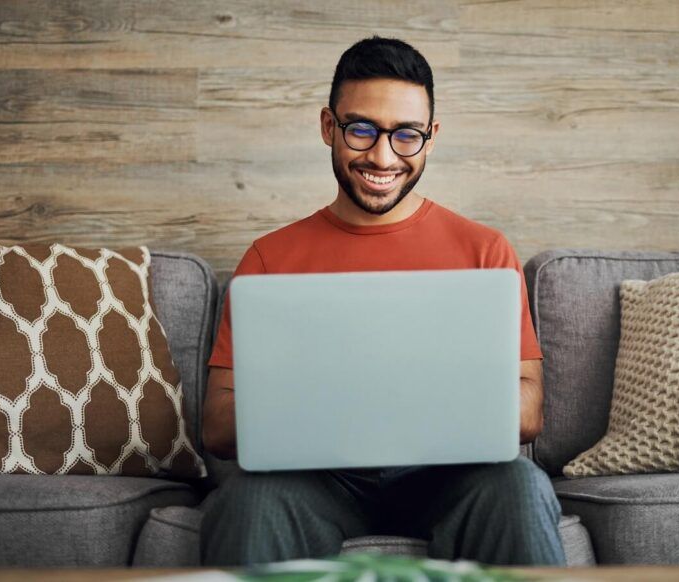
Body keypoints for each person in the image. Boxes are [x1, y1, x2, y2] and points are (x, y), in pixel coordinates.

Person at [200, 36, 566, 567]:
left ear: (431, 137)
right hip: (315, 481)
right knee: (247, 500)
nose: (382, 155)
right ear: (329, 127)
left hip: (450, 478)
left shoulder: (484, 249)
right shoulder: (268, 259)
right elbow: (216, 425)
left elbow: (529, 410)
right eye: (362, 129)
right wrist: (328, 398)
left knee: (520, 483)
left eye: (406, 135)